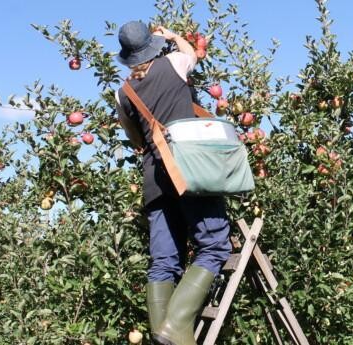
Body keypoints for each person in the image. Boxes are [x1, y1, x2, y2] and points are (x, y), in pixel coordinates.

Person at [114, 20, 232, 345]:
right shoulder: (174, 63)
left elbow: (137, 139)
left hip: (155, 180)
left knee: (164, 261)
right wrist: (172, 36)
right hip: (188, 168)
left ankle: (161, 336)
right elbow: (192, 52)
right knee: (214, 245)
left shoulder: (122, 93)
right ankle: (175, 330)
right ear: (152, 46)